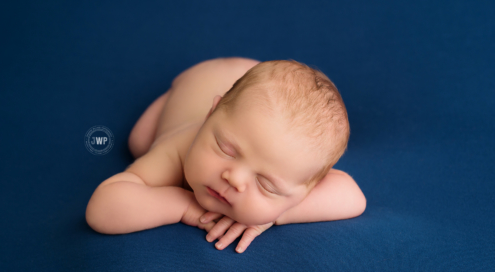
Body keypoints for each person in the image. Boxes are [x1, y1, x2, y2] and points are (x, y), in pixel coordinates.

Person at [85, 57, 366, 253]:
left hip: (250, 83)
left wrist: (273, 214)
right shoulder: (176, 152)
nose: (233, 179)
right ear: (210, 115)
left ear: (305, 192)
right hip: (197, 79)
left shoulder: (286, 161)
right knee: (138, 142)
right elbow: (102, 210)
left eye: (267, 185)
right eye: (225, 149)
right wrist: (182, 205)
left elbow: (353, 197)